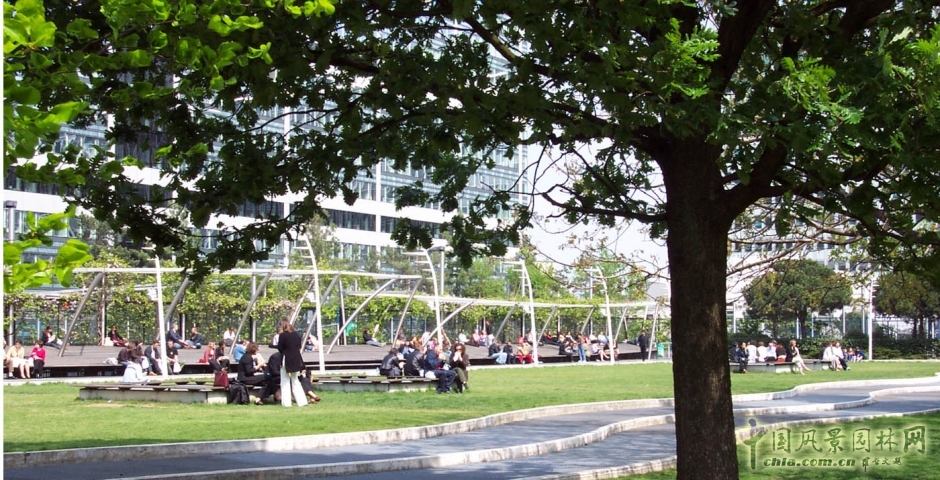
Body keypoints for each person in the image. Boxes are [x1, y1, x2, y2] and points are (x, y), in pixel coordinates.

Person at [276, 321, 309, 408]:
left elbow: (280, 347)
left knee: (285, 380)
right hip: (296, 359)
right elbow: (299, 346)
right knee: (295, 380)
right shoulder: (296, 334)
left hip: (286, 358)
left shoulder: (282, 335)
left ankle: (286, 403)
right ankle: (302, 401)